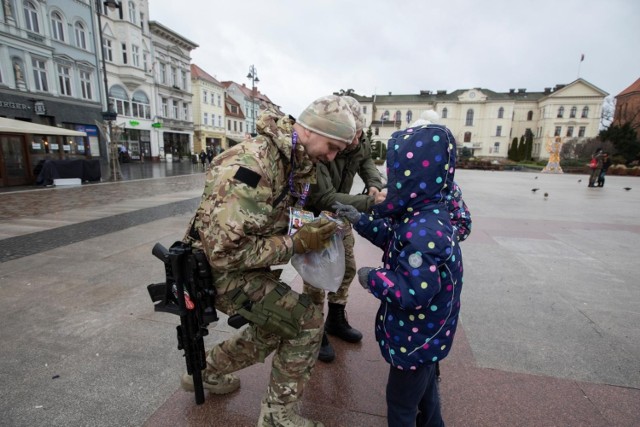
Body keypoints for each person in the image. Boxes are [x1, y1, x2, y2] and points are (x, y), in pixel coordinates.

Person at [180, 95, 356, 427]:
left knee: (278, 325)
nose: (332, 156)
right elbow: (225, 252)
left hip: (241, 269)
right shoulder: (250, 166)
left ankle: (209, 370)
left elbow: (268, 216)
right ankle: (278, 417)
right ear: (309, 130)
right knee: (305, 321)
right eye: (332, 146)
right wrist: (296, 243)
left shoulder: (288, 159)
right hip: (221, 274)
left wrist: (310, 226)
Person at [334, 122, 464, 427]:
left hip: (416, 338)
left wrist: (372, 277)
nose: (392, 180)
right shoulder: (425, 213)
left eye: (396, 173)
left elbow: (413, 291)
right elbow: (395, 240)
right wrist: (361, 220)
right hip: (428, 336)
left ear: (414, 176)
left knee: (401, 404)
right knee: (427, 393)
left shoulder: (424, 232)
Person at [302, 96, 386, 362]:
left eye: (358, 134)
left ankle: (336, 319)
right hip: (315, 216)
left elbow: (367, 161)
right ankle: (314, 333)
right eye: (351, 135)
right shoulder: (320, 147)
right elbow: (324, 198)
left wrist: (375, 183)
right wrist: (370, 202)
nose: (354, 140)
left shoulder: (357, 139)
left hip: (343, 213)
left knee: (347, 268)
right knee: (315, 279)